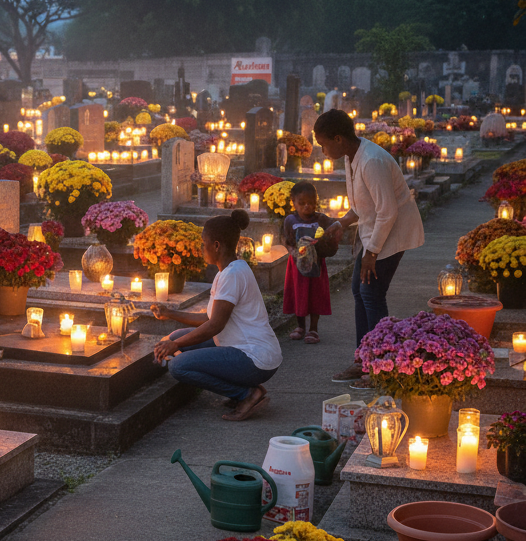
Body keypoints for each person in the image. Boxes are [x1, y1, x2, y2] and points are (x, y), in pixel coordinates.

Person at [313, 109, 424, 383]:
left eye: (323, 143)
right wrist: (341, 224)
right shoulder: (353, 156)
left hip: (391, 233)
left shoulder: (371, 160)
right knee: (358, 290)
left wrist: (371, 253)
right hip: (375, 231)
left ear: (338, 138)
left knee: (371, 293)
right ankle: (364, 357)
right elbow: (362, 206)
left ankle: (380, 363)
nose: (322, 150)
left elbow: (387, 212)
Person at [151, 210, 282, 421]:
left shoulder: (233, 274)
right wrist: (170, 313)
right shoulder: (227, 271)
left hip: (254, 358)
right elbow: (209, 318)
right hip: (243, 349)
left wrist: (175, 347)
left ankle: (247, 394)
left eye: (204, 243)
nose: (202, 248)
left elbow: (215, 326)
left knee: (178, 365)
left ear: (217, 246)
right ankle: (244, 388)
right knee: (176, 338)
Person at [282, 181, 337, 345]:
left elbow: (331, 238)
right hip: (297, 265)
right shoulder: (290, 220)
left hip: (317, 264)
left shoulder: (321, 219)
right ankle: (300, 326)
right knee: (299, 293)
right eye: (302, 203)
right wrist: (294, 253)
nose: (307, 206)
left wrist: (325, 241)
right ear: (293, 202)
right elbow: (287, 241)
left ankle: (313, 328)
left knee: (315, 294)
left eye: (311, 202)